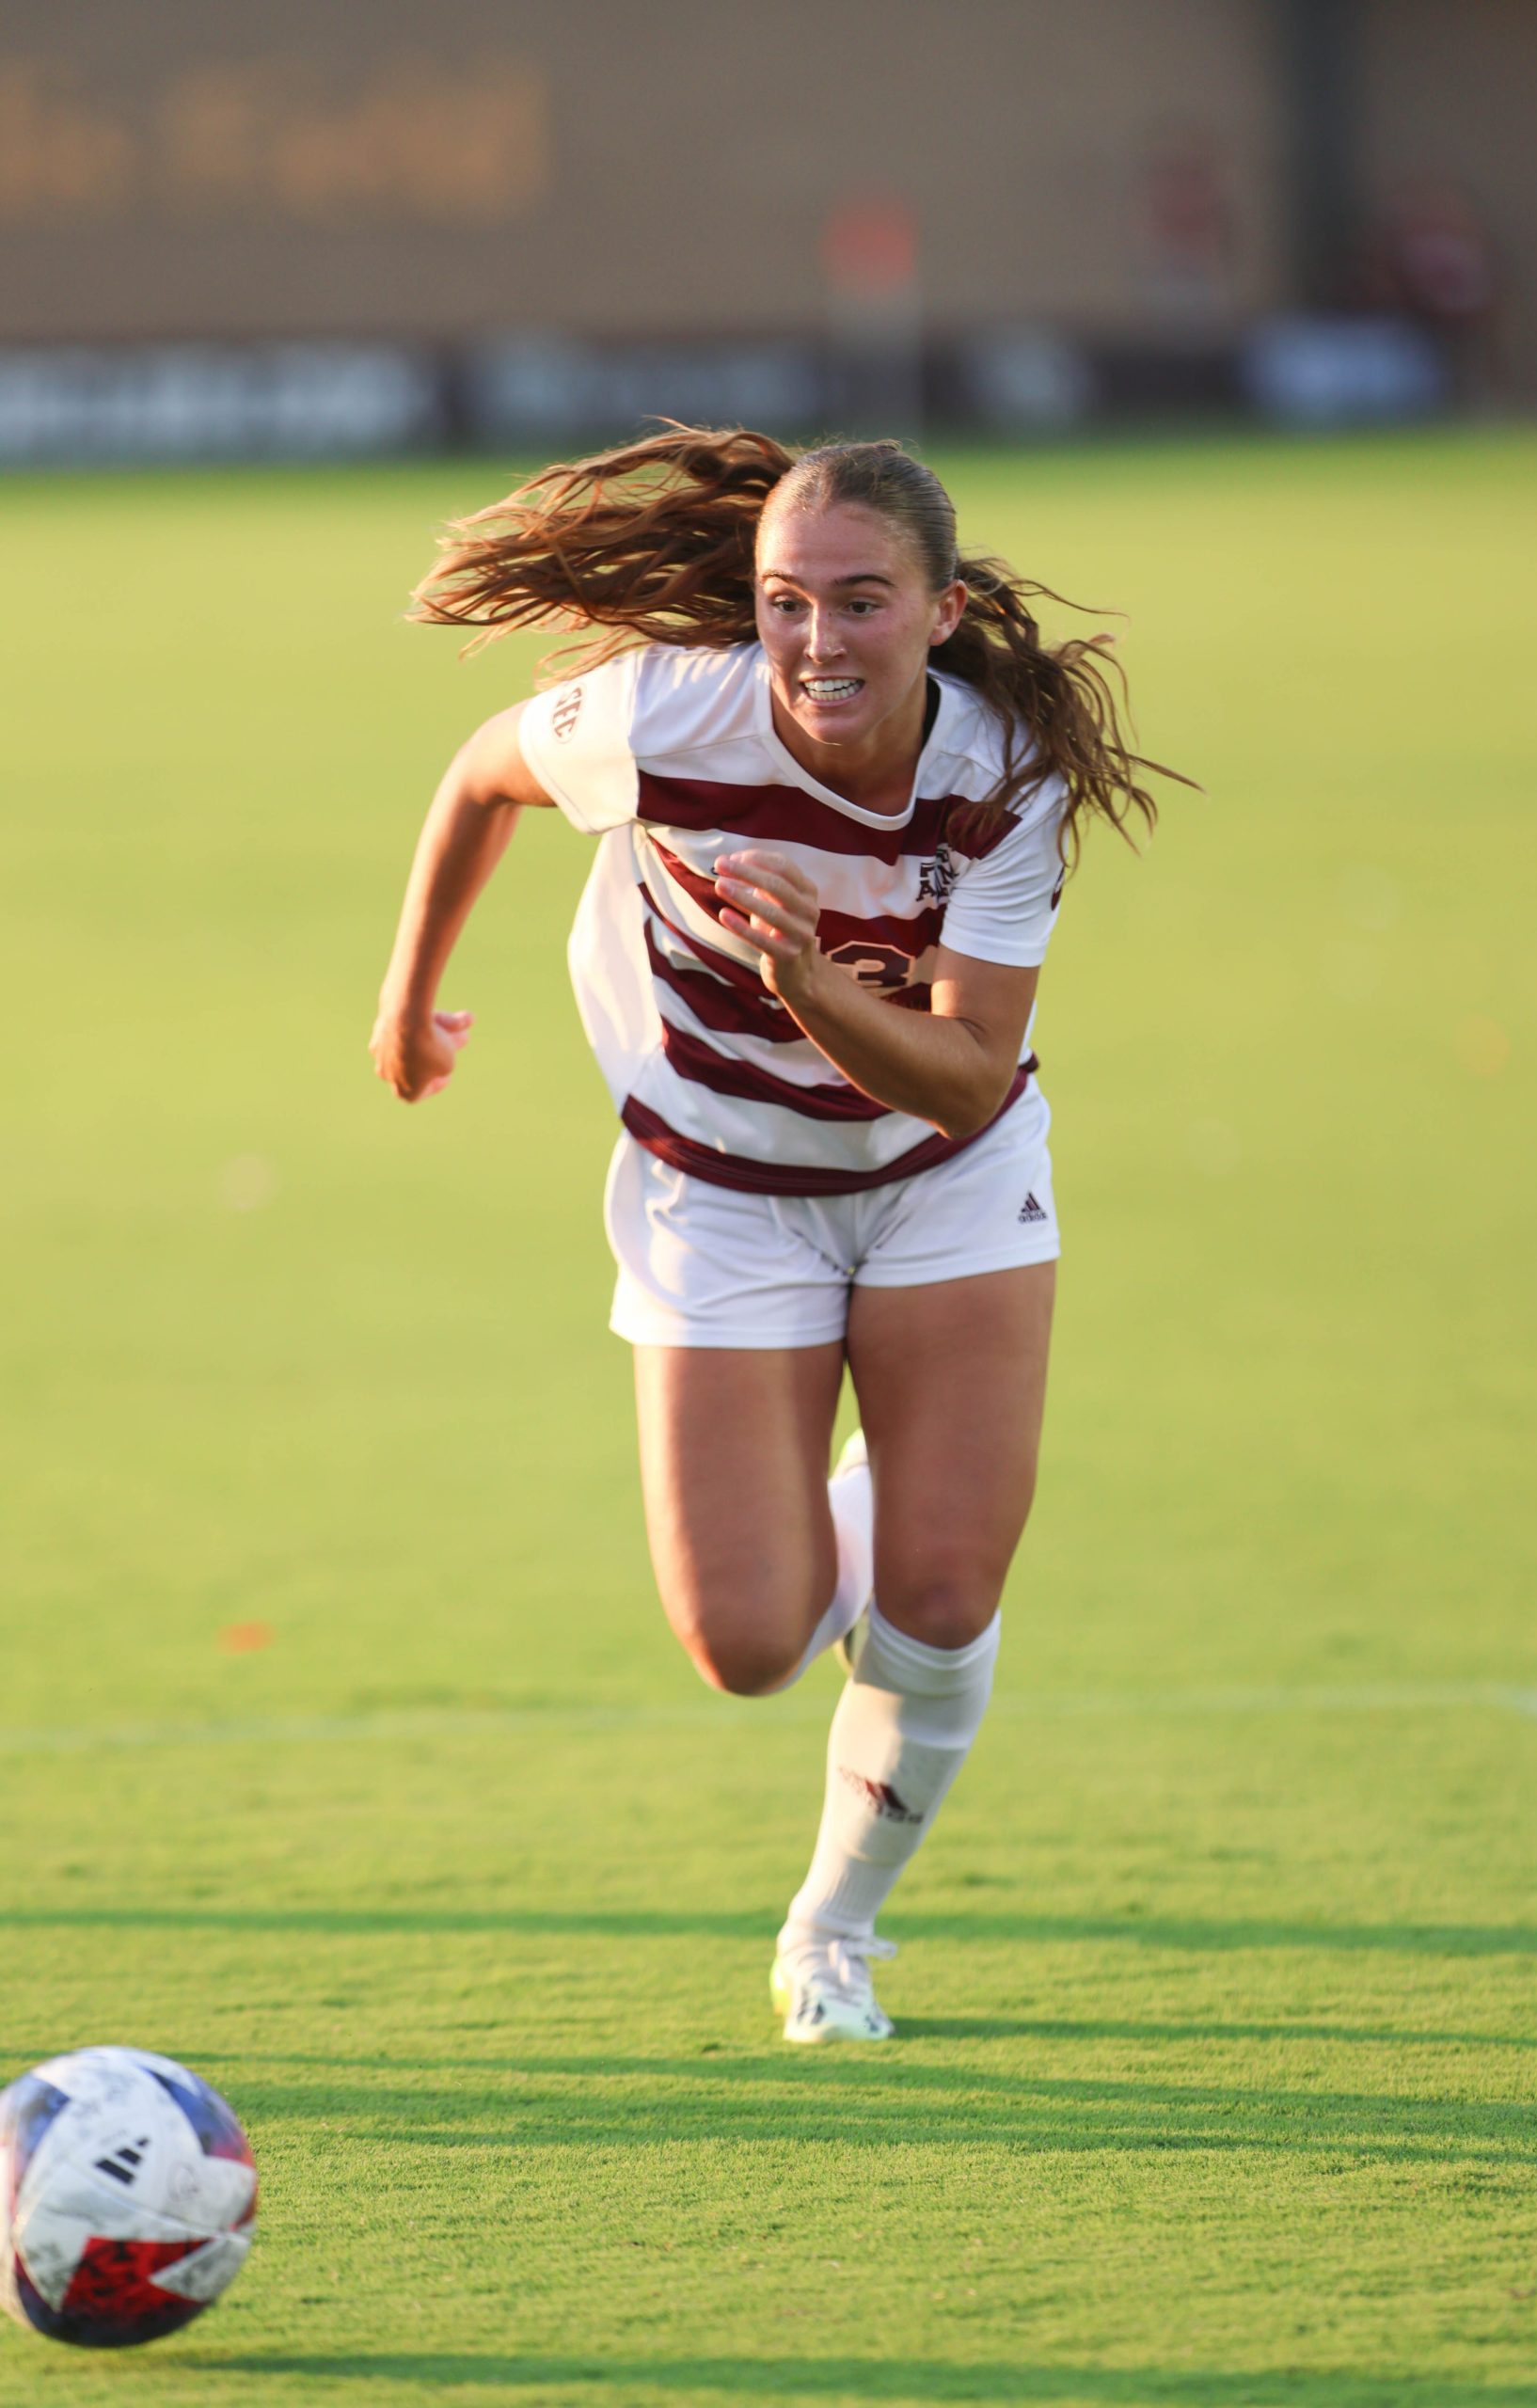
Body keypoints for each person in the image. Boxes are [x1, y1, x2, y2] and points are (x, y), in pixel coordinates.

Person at [370, 428, 1180, 2043]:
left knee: (944, 1591)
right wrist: (406, 1002)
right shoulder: (670, 715)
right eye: (786, 603)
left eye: (861, 602)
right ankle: (882, 1490)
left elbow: (962, 1085)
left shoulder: (1001, 779)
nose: (816, 642)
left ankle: (835, 1931)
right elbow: (479, 774)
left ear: (942, 612)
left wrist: (811, 982)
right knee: (747, 1640)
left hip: (941, 1172)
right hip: (718, 1182)